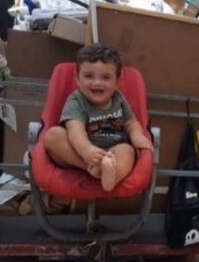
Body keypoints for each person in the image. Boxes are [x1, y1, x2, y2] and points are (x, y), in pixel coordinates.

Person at [43, 43, 153, 191]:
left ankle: (110, 176)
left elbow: (131, 122)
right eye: (88, 76)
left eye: (106, 77)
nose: (97, 83)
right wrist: (86, 150)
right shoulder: (77, 100)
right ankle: (95, 168)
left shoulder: (119, 99)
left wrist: (137, 135)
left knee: (127, 151)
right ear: (77, 78)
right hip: (78, 152)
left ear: (117, 82)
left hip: (112, 151)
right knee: (53, 136)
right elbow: (75, 130)